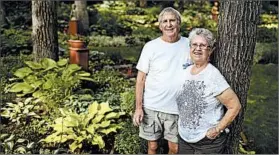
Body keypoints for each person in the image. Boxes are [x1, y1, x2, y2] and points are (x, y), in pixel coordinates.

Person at [132, 7, 191, 154]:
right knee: (153, 147)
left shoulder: (189, 45)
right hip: (152, 107)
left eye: (172, 20)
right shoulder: (151, 47)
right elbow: (140, 80)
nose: (169, 24)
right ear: (160, 26)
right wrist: (139, 108)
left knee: (175, 148)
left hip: (177, 109)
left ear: (179, 23)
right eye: (165, 21)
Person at [176, 28, 241, 154]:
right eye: (194, 45)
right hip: (184, 139)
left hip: (206, 143)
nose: (198, 48)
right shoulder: (186, 72)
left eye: (203, 45)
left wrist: (217, 129)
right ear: (190, 48)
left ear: (210, 50)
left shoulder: (213, 76)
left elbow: (235, 106)